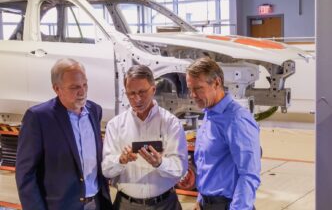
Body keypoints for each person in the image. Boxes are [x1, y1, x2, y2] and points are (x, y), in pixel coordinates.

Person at [15, 58, 113, 210]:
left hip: (96, 203)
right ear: (57, 88)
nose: (82, 91)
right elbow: (26, 174)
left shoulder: (94, 111)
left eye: (85, 84)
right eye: (74, 87)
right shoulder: (39, 118)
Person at [102, 65, 188, 210]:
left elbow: (181, 169)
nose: (137, 99)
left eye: (142, 92)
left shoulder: (171, 123)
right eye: (131, 93)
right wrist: (121, 160)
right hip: (126, 205)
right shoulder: (115, 125)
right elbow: (106, 170)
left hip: (165, 205)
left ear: (153, 89)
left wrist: (160, 163)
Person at [185, 57, 261, 210]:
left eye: (198, 88)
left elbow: (249, 174)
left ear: (217, 83)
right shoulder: (209, 113)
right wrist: (201, 199)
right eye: (190, 89)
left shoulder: (236, 119)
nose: (193, 95)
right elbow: (208, 166)